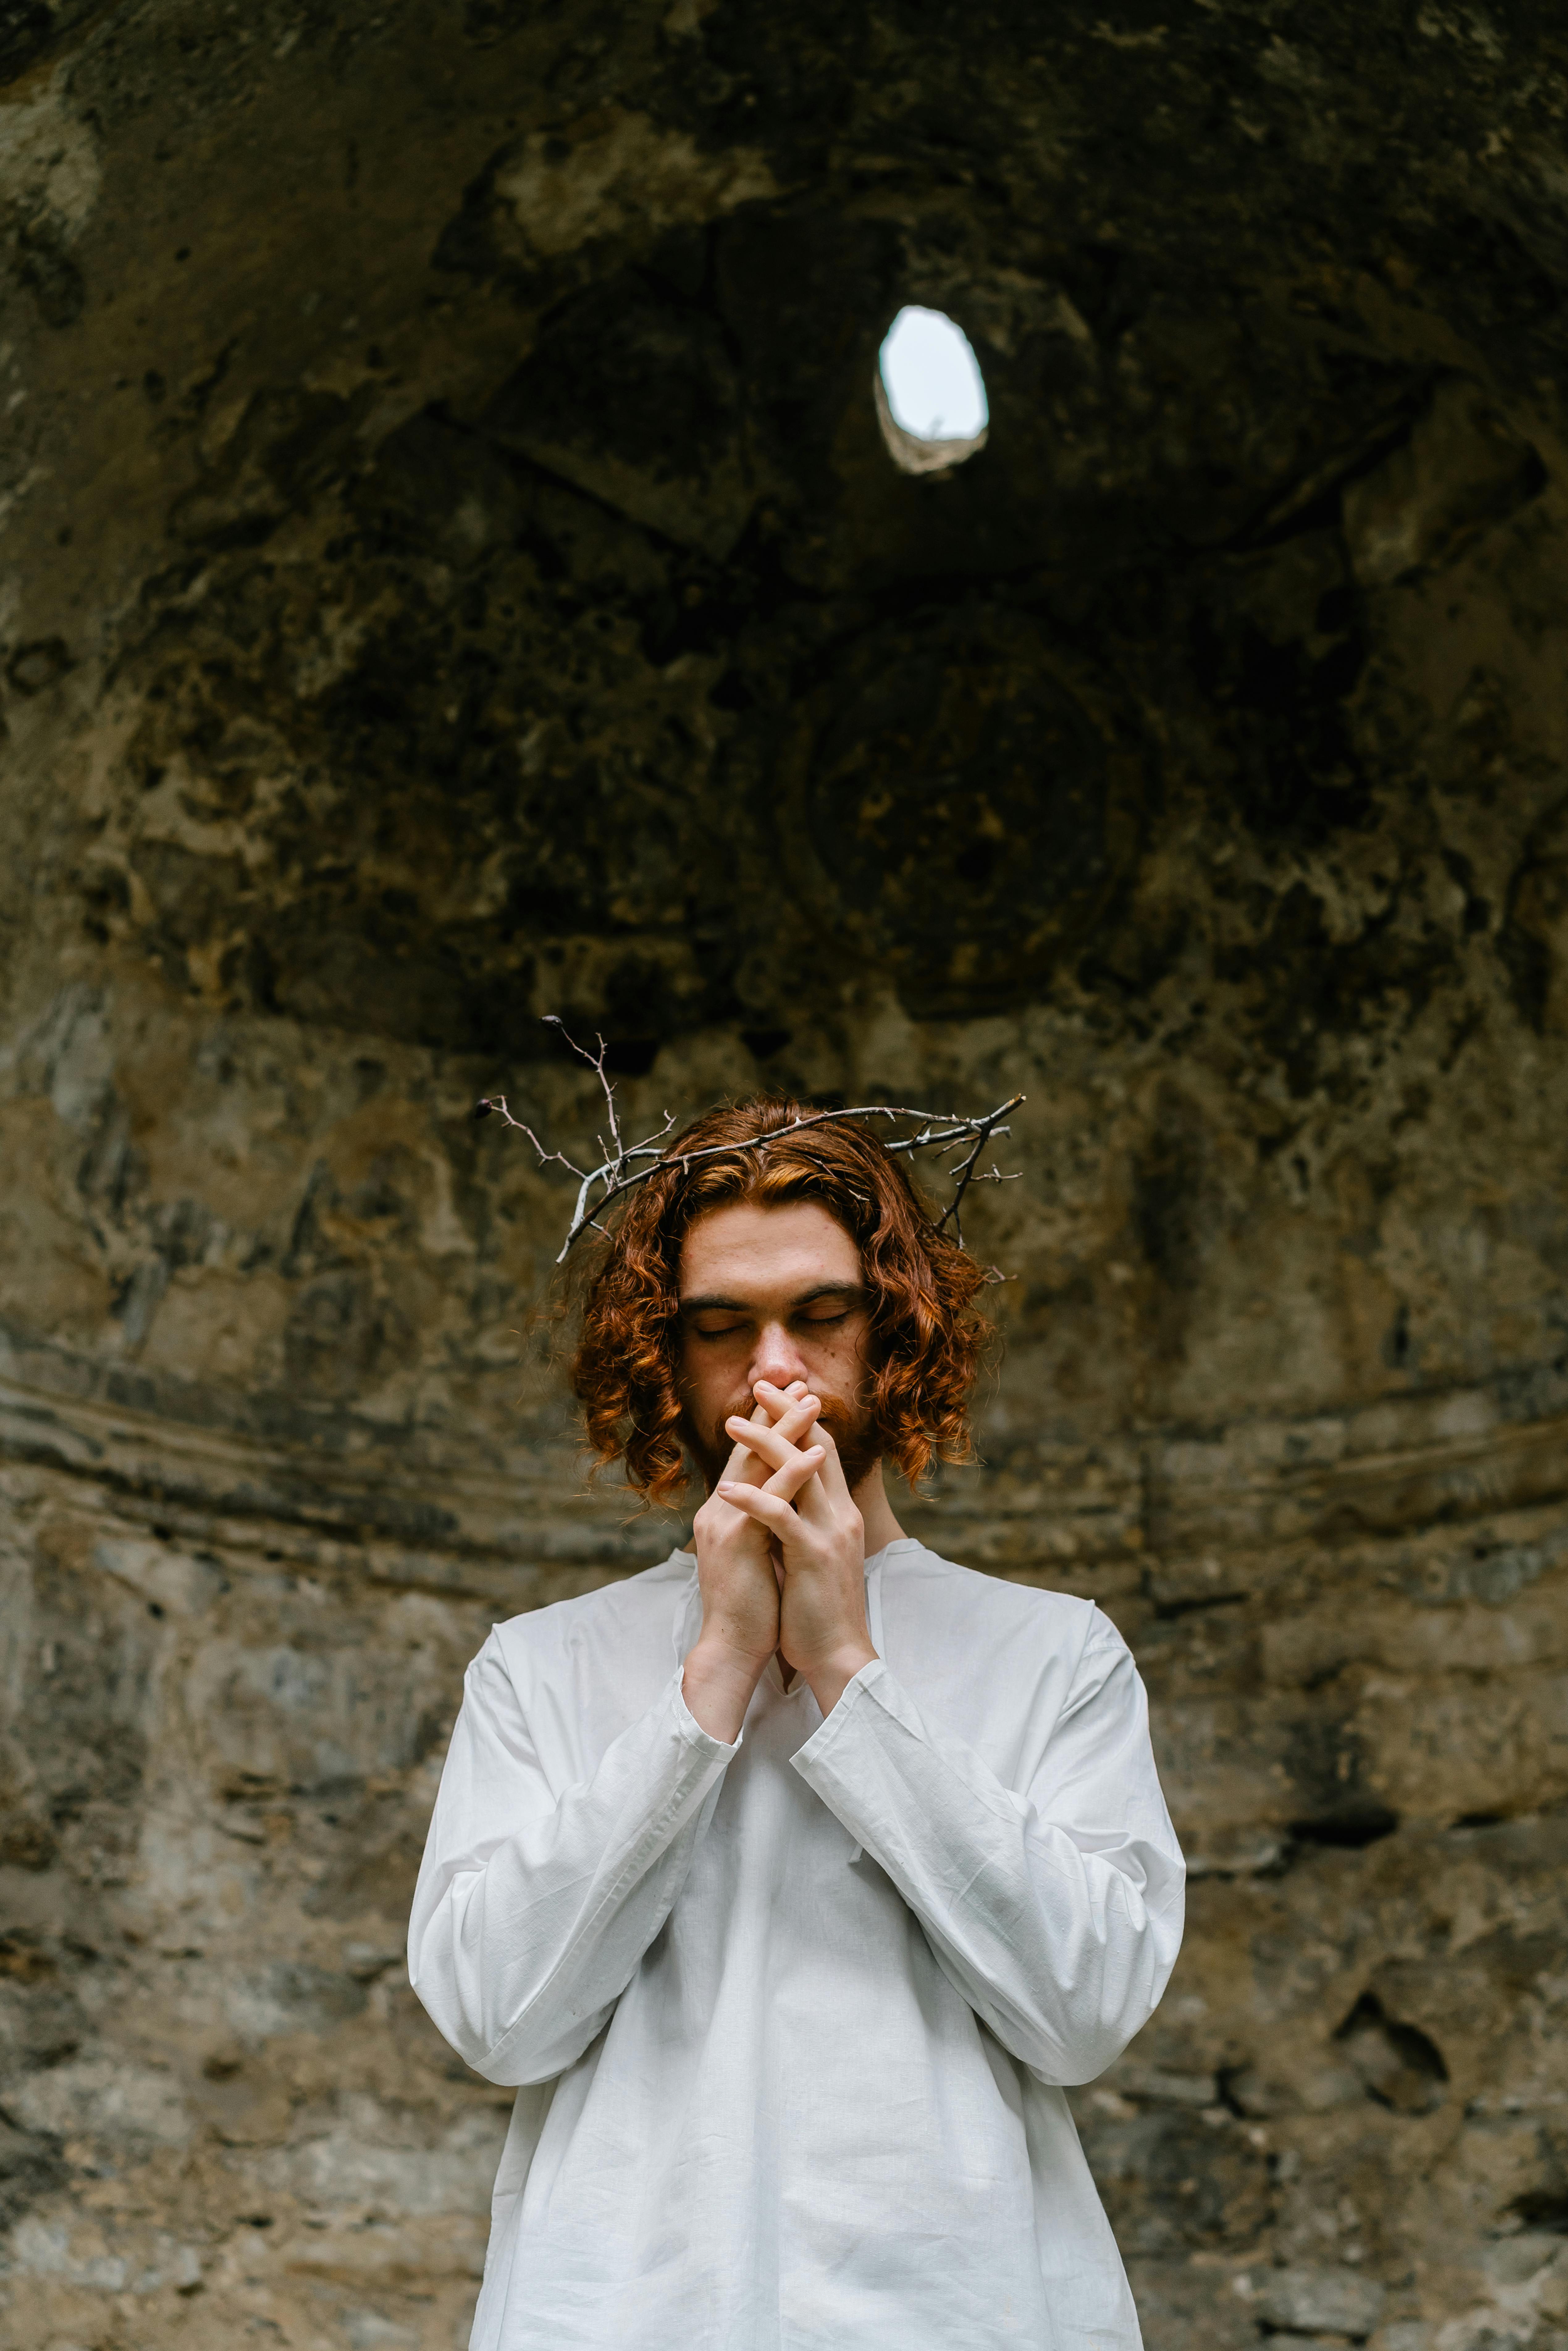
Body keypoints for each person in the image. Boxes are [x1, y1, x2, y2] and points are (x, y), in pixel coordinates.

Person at [408, 1097, 1185, 2351]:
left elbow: (1084, 2010)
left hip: (962, 2315)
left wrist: (841, 1666)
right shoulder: (540, 1667)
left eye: (820, 1315)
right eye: (724, 1326)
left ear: (895, 1328)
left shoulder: (1056, 1654)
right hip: (616, 2315)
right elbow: (500, 2019)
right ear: (666, 1353)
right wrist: (716, 1665)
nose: (775, 1368)